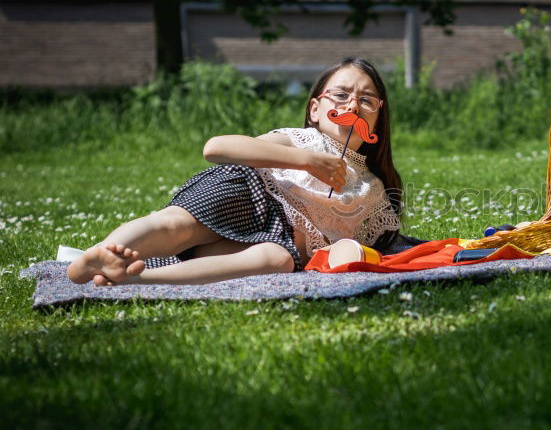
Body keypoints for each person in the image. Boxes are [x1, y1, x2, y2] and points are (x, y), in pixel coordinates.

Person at [68, 57, 406, 286]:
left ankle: (134, 278)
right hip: (246, 196)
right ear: (315, 109)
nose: (351, 106)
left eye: (366, 100)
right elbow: (216, 148)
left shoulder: (372, 188)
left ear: (378, 117)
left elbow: (362, 247)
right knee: (174, 226)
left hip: (275, 241)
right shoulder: (300, 140)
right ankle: (106, 252)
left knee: (277, 261)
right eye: (341, 95)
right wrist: (306, 160)